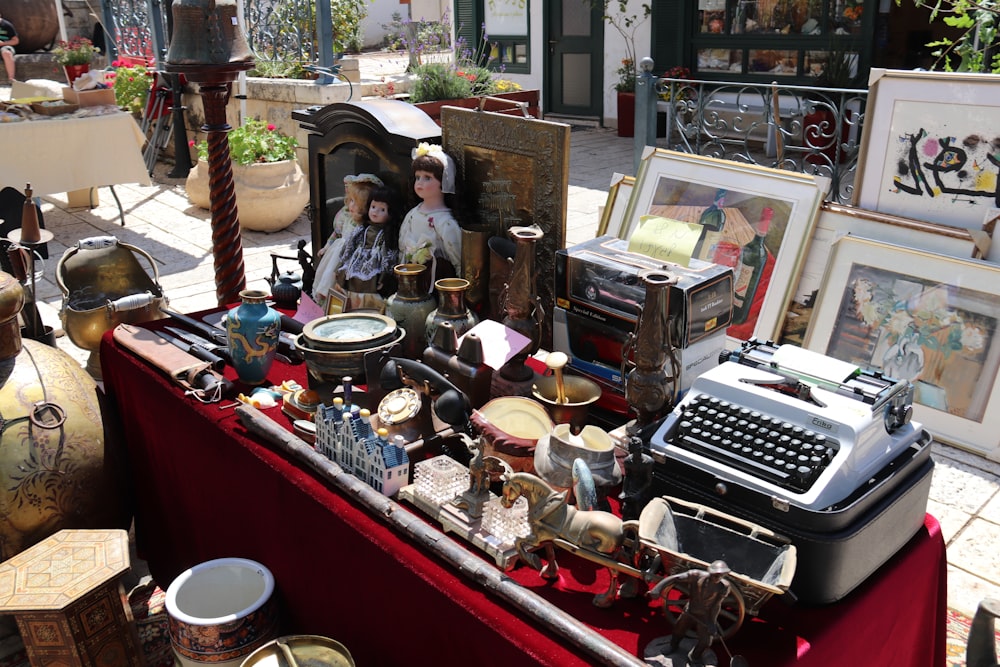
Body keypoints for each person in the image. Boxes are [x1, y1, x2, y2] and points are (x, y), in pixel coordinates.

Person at [312, 173, 383, 312]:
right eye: (350, 200)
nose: (351, 206)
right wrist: (327, 247)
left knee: (336, 279)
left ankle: (330, 301)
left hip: (348, 258)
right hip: (336, 254)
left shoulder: (363, 226)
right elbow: (335, 234)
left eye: (356, 203)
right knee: (327, 273)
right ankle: (323, 298)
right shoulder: (344, 218)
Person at [398, 142, 462, 290]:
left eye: (427, 178)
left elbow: (457, 257)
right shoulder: (413, 214)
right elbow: (402, 246)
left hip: (434, 282)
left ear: (444, 182)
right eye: (417, 177)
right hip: (410, 279)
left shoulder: (445, 222)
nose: (419, 182)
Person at [648, 560, 734, 665]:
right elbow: (675, 578)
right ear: (709, 571)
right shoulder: (695, 575)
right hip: (690, 610)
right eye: (715, 575)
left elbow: (716, 605)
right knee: (678, 629)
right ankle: (673, 646)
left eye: (720, 576)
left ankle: (694, 656)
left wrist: (711, 622)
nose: (717, 578)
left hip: (705, 616)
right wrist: (657, 589)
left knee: (706, 641)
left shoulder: (724, 587)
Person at [334, 186, 401, 313]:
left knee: (369, 292)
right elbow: (349, 248)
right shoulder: (361, 229)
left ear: (391, 213)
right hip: (355, 263)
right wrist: (339, 266)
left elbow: (389, 256)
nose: (375, 212)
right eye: (373, 207)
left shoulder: (387, 235)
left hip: (373, 268)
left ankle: (367, 312)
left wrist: (384, 277)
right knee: (348, 286)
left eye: (382, 209)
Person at [0, 12, 19, 82]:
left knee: (7, 53)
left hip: (5, 45)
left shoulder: (7, 25)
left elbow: (16, 41)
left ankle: (11, 78)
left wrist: (3, 43)